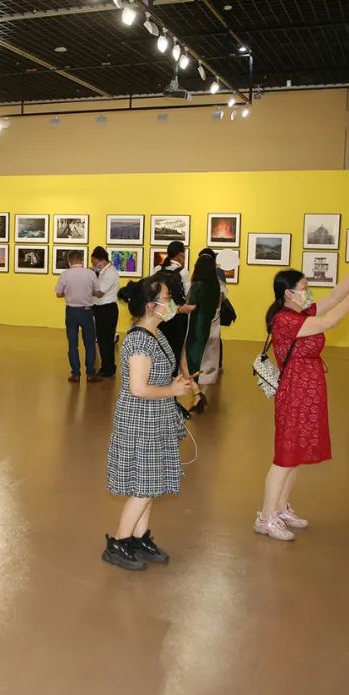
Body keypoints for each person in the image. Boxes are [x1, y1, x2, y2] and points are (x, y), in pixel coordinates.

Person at [255, 262, 349, 541]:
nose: (308, 293)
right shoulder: (284, 320)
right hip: (295, 391)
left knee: (295, 454)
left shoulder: (300, 311)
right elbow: (329, 321)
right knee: (285, 456)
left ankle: (280, 508)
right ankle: (265, 517)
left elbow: (332, 299)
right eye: (304, 288)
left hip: (308, 389)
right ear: (288, 293)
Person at [103, 276, 193, 570]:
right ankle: (118, 542)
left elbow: (156, 376)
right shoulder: (140, 340)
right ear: (152, 306)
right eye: (167, 298)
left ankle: (138, 538)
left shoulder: (156, 334)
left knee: (151, 484)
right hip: (141, 421)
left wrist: (173, 383)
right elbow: (139, 388)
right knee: (143, 488)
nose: (172, 303)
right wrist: (172, 390)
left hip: (157, 417)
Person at [55, 249, 103, 383]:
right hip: (87, 311)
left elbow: (58, 294)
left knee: (72, 344)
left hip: (71, 312)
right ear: (82, 260)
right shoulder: (90, 273)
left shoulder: (65, 274)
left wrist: (68, 293)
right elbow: (97, 292)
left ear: (69, 261)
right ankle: (90, 373)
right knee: (90, 344)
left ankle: (76, 374)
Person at [184, 252, 221, 412]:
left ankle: (196, 394)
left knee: (191, 362)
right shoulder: (216, 284)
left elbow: (192, 306)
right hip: (212, 327)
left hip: (197, 327)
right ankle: (202, 394)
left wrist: (176, 308)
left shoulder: (197, 285)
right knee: (209, 363)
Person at [153, 241, 195, 375]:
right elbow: (188, 294)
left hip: (160, 312)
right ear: (181, 255)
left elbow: (152, 290)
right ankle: (172, 374)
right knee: (175, 347)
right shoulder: (183, 272)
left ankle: (159, 372)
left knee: (160, 344)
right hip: (177, 314)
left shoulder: (157, 269)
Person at [91, 246, 120, 377]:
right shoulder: (102, 272)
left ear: (102, 261)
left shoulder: (110, 273)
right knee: (102, 340)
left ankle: (109, 369)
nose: (94, 266)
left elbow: (99, 293)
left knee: (107, 340)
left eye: (95, 263)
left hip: (107, 310)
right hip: (99, 309)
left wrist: (84, 288)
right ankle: (105, 367)